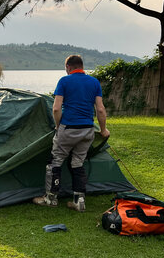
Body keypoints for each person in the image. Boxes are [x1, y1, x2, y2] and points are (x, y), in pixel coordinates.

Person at [33, 55, 110, 212]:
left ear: (68, 67)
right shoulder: (94, 82)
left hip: (68, 129)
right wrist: (103, 129)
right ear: (81, 66)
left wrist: (57, 126)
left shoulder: (64, 81)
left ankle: (50, 198)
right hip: (88, 130)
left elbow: (56, 108)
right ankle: (79, 201)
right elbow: (100, 109)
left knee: (55, 161)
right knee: (77, 163)